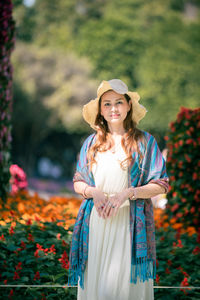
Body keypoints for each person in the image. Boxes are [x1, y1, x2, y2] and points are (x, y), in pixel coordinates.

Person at [67, 79, 169, 300]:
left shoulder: (145, 142)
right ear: (100, 110)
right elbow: (78, 181)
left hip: (128, 225)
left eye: (119, 102)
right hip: (96, 224)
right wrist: (94, 192)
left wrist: (127, 193)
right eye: (107, 104)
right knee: (99, 290)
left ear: (128, 105)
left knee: (121, 290)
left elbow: (160, 184)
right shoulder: (91, 143)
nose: (113, 109)